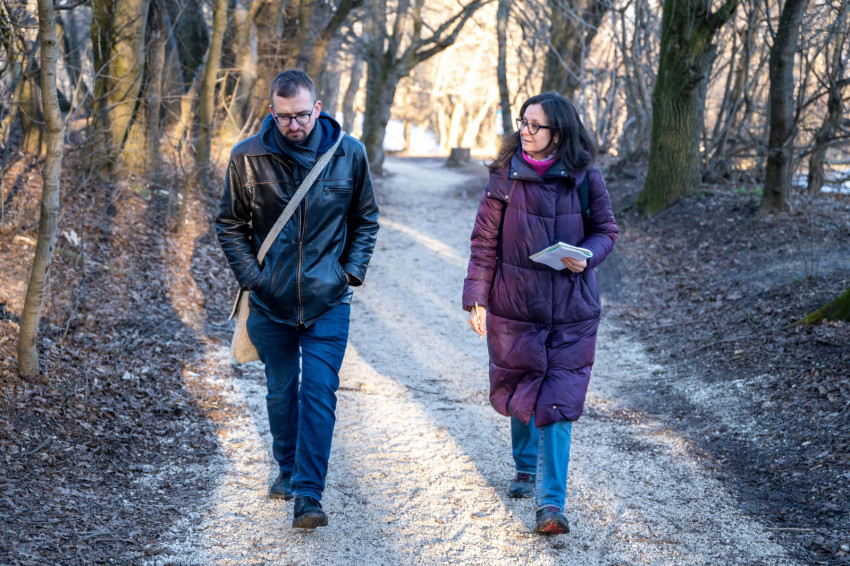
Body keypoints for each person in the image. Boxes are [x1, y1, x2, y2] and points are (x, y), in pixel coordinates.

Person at [216, 70, 379, 529]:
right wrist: (254, 279)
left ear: (318, 109)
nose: (294, 125)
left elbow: (365, 218)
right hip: (270, 303)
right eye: (285, 116)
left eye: (302, 115)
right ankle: (287, 468)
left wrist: (349, 272)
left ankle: (308, 495)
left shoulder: (349, 153)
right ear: (272, 111)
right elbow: (229, 224)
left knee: (318, 392)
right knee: (281, 392)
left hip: (329, 301)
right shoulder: (247, 157)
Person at [462, 91, 618, 535]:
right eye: (523, 123)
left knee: (559, 401)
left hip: (573, 309)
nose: (525, 132)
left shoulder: (586, 179)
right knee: (521, 386)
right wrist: (477, 297)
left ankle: (551, 505)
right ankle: (525, 465)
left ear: (559, 133)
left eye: (536, 125)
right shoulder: (504, 177)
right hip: (515, 306)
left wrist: (586, 255)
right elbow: (483, 243)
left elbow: (606, 231)